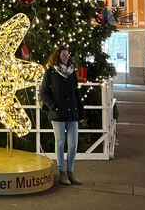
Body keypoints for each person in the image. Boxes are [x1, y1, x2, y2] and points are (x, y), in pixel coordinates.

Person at [39, 46, 85, 186]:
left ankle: (70, 171)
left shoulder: (71, 73)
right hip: (58, 113)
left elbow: (76, 93)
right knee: (60, 143)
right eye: (64, 55)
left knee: (73, 145)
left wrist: (81, 113)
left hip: (72, 113)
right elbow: (43, 92)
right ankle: (62, 172)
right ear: (58, 56)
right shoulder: (51, 72)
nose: (66, 57)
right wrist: (53, 106)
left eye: (67, 55)